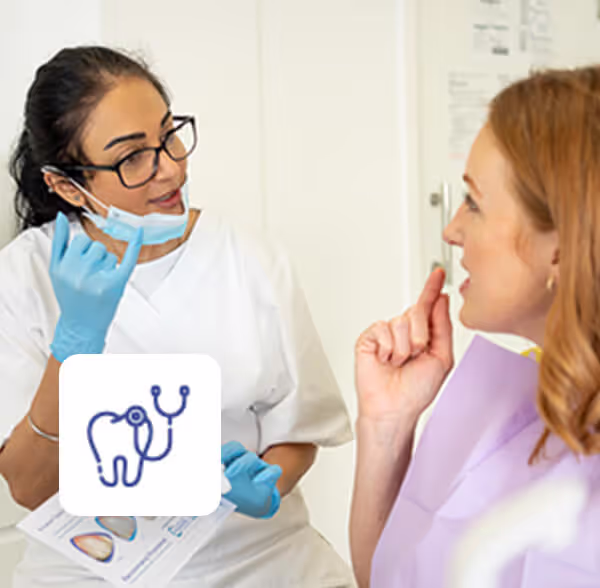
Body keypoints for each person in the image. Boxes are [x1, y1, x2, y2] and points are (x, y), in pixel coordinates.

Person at [0, 46, 355, 587]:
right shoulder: (22, 277)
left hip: (258, 562)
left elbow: (298, 431)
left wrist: (270, 484)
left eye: (168, 135)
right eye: (131, 156)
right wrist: (74, 345)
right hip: (90, 573)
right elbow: (28, 486)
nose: (170, 167)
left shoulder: (249, 257)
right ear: (67, 185)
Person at [350, 65, 600, 587]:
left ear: (562, 246)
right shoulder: (530, 395)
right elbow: (392, 576)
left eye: (474, 204)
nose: (452, 230)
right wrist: (386, 426)